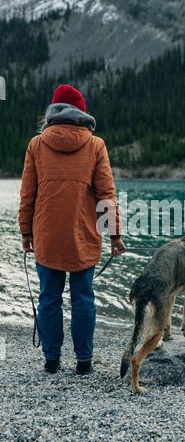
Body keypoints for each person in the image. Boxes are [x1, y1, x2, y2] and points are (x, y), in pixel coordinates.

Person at [19, 84, 125, 375]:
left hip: (47, 235)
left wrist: (26, 232)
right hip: (84, 236)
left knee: (48, 297)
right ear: (81, 112)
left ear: (53, 111)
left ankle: (51, 360)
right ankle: (83, 362)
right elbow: (106, 195)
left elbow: (27, 194)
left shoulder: (36, 144)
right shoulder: (95, 145)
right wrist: (115, 235)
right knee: (83, 298)